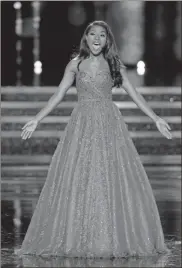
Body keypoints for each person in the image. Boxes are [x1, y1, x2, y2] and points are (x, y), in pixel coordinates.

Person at [16, 20, 172, 259]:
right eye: (92, 34)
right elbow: (59, 94)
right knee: (80, 177)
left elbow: (133, 93)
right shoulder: (76, 64)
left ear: (107, 40)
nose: (97, 39)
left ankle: (111, 237)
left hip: (110, 126)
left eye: (102, 35)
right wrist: (37, 119)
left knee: (109, 178)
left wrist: (156, 118)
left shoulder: (114, 63)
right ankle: (78, 236)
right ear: (86, 38)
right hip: (82, 126)